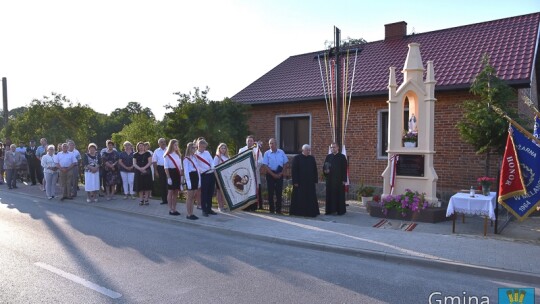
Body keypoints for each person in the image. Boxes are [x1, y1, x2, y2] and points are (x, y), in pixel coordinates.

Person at [290, 144, 319, 217]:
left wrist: (315, 180)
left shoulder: (311, 158)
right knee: (300, 197)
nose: (308, 151)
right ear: (303, 150)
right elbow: (294, 171)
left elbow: (315, 170)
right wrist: (295, 181)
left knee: (310, 197)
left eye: (309, 150)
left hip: (310, 182)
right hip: (300, 182)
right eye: (307, 150)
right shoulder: (297, 158)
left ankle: (311, 212)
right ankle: (300, 212)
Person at [262, 138, 289, 214]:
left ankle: (278, 210)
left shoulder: (281, 152)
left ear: (276, 144)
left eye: (273, 143)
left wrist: (282, 173)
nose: (271, 145)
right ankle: (271, 210)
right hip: (270, 174)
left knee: (279, 192)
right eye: (270, 143)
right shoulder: (266, 153)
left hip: (279, 173)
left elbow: (285, 163)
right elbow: (265, 165)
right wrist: (273, 174)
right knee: (270, 192)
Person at [239, 135, 264, 211]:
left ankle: (253, 207)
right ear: (246, 141)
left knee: (253, 189)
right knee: (246, 189)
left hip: (254, 173)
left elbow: (261, 161)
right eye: (248, 141)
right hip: (245, 173)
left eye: (251, 141)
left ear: (253, 142)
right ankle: (245, 206)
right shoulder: (242, 150)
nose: (249, 142)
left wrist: (254, 165)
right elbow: (239, 160)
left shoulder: (257, 150)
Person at [323, 142, 348, 215]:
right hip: (330, 180)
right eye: (331, 147)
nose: (332, 149)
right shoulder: (328, 157)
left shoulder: (342, 157)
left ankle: (340, 210)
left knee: (339, 195)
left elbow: (344, 169)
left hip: (339, 180)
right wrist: (325, 171)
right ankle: (329, 210)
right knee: (330, 195)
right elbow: (325, 166)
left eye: (334, 147)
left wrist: (344, 180)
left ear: (338, 148)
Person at [195, 139, 217, 217]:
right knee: (204, 193)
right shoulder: (195, 155)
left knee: (210, 193)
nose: (204, 148)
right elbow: (197, 166)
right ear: (199, 146)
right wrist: (203, 170)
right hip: (204, 175)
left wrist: (212, 167)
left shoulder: (207, 153)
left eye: (205, 147)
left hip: (211, 174)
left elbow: (211, 161)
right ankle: (204, 210)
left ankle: (209, 209)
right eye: (203, 147)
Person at [164, 139, 183, 216]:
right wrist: (168, 178)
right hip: (171, 174)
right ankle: (170, 209)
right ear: (171, 145)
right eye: (175, 145)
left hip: (177, 174)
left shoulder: (178, 155)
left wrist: (182, 176)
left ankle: (174, 208)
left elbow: (180, 166)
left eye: (177, 145)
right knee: (170, 192)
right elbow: (166, 168)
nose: (176, 146)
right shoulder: (167, 155)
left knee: (176, 192)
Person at [183, 142, 199, 220]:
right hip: (190, 177)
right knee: (189, 197)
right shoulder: (186, 159)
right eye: (193, 148)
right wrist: (188, 182)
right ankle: (189, 214)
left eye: (195, 148)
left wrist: (199, 180)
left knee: (193, 197)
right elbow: (186, 171)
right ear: (189, 148)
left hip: (195, 176)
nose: (195, 149)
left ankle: (192, 213)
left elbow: (197, 169)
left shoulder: (195, 157)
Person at [133, 141, 153, 205]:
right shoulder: (135, 154)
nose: (141, 147)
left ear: (144, 147)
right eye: (139, 146)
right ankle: (141, 200)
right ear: (137, 147)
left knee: (146, 186)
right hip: (138, 172)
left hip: (146, 171)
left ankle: (146, 199)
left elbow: (150, 162)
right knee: (140, 186)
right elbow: (134, 163)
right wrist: (140, 169)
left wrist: (144, 168)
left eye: (142, 146)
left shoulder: (148, 153)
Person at [213, 143, 229, 212]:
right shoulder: (217, 157)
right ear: (219, 149)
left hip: (226, 176)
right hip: (219, 176)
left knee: (224, 192)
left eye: (224, 148)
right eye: (222, 148)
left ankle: (224, 205)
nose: (223, 149)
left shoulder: (227, 157)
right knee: (219, 191)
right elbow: (214, 167)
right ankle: (220, 206)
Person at [152, 138, 168, 205]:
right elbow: (154, 162)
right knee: (162, 184)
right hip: (160, 169)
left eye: (164, 142)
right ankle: (164, 200)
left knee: (169, 184)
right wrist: (156, 171)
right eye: (161, 142)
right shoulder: (156, 151)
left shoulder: (169, 149)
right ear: (159, 144)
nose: (163, 143)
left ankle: (170, 199)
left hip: (169, 169)